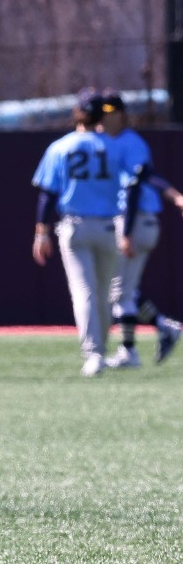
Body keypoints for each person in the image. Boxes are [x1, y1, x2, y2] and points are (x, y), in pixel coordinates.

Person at [32, 91, 129, 376]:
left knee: (84, 292)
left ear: (77, 114)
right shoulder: (114, 147)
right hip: (109, 225)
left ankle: (94, 354)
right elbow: (133, 185)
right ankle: (101, 351)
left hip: (74, 226)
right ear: (102, 115)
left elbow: (48, 195)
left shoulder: (61, 147)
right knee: (103, 293)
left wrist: (41, 232)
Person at [96, 92, 183, 369]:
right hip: (135, 220)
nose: (106, 118)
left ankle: (130, 350)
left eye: (111, 113)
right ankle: (162, 326)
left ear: (121, 114)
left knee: (118, 290)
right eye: (103, 113)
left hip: (136, 220)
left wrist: (126, 232)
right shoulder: (108, 143)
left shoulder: (130, 143)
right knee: (123, 289)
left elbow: (137, 184)